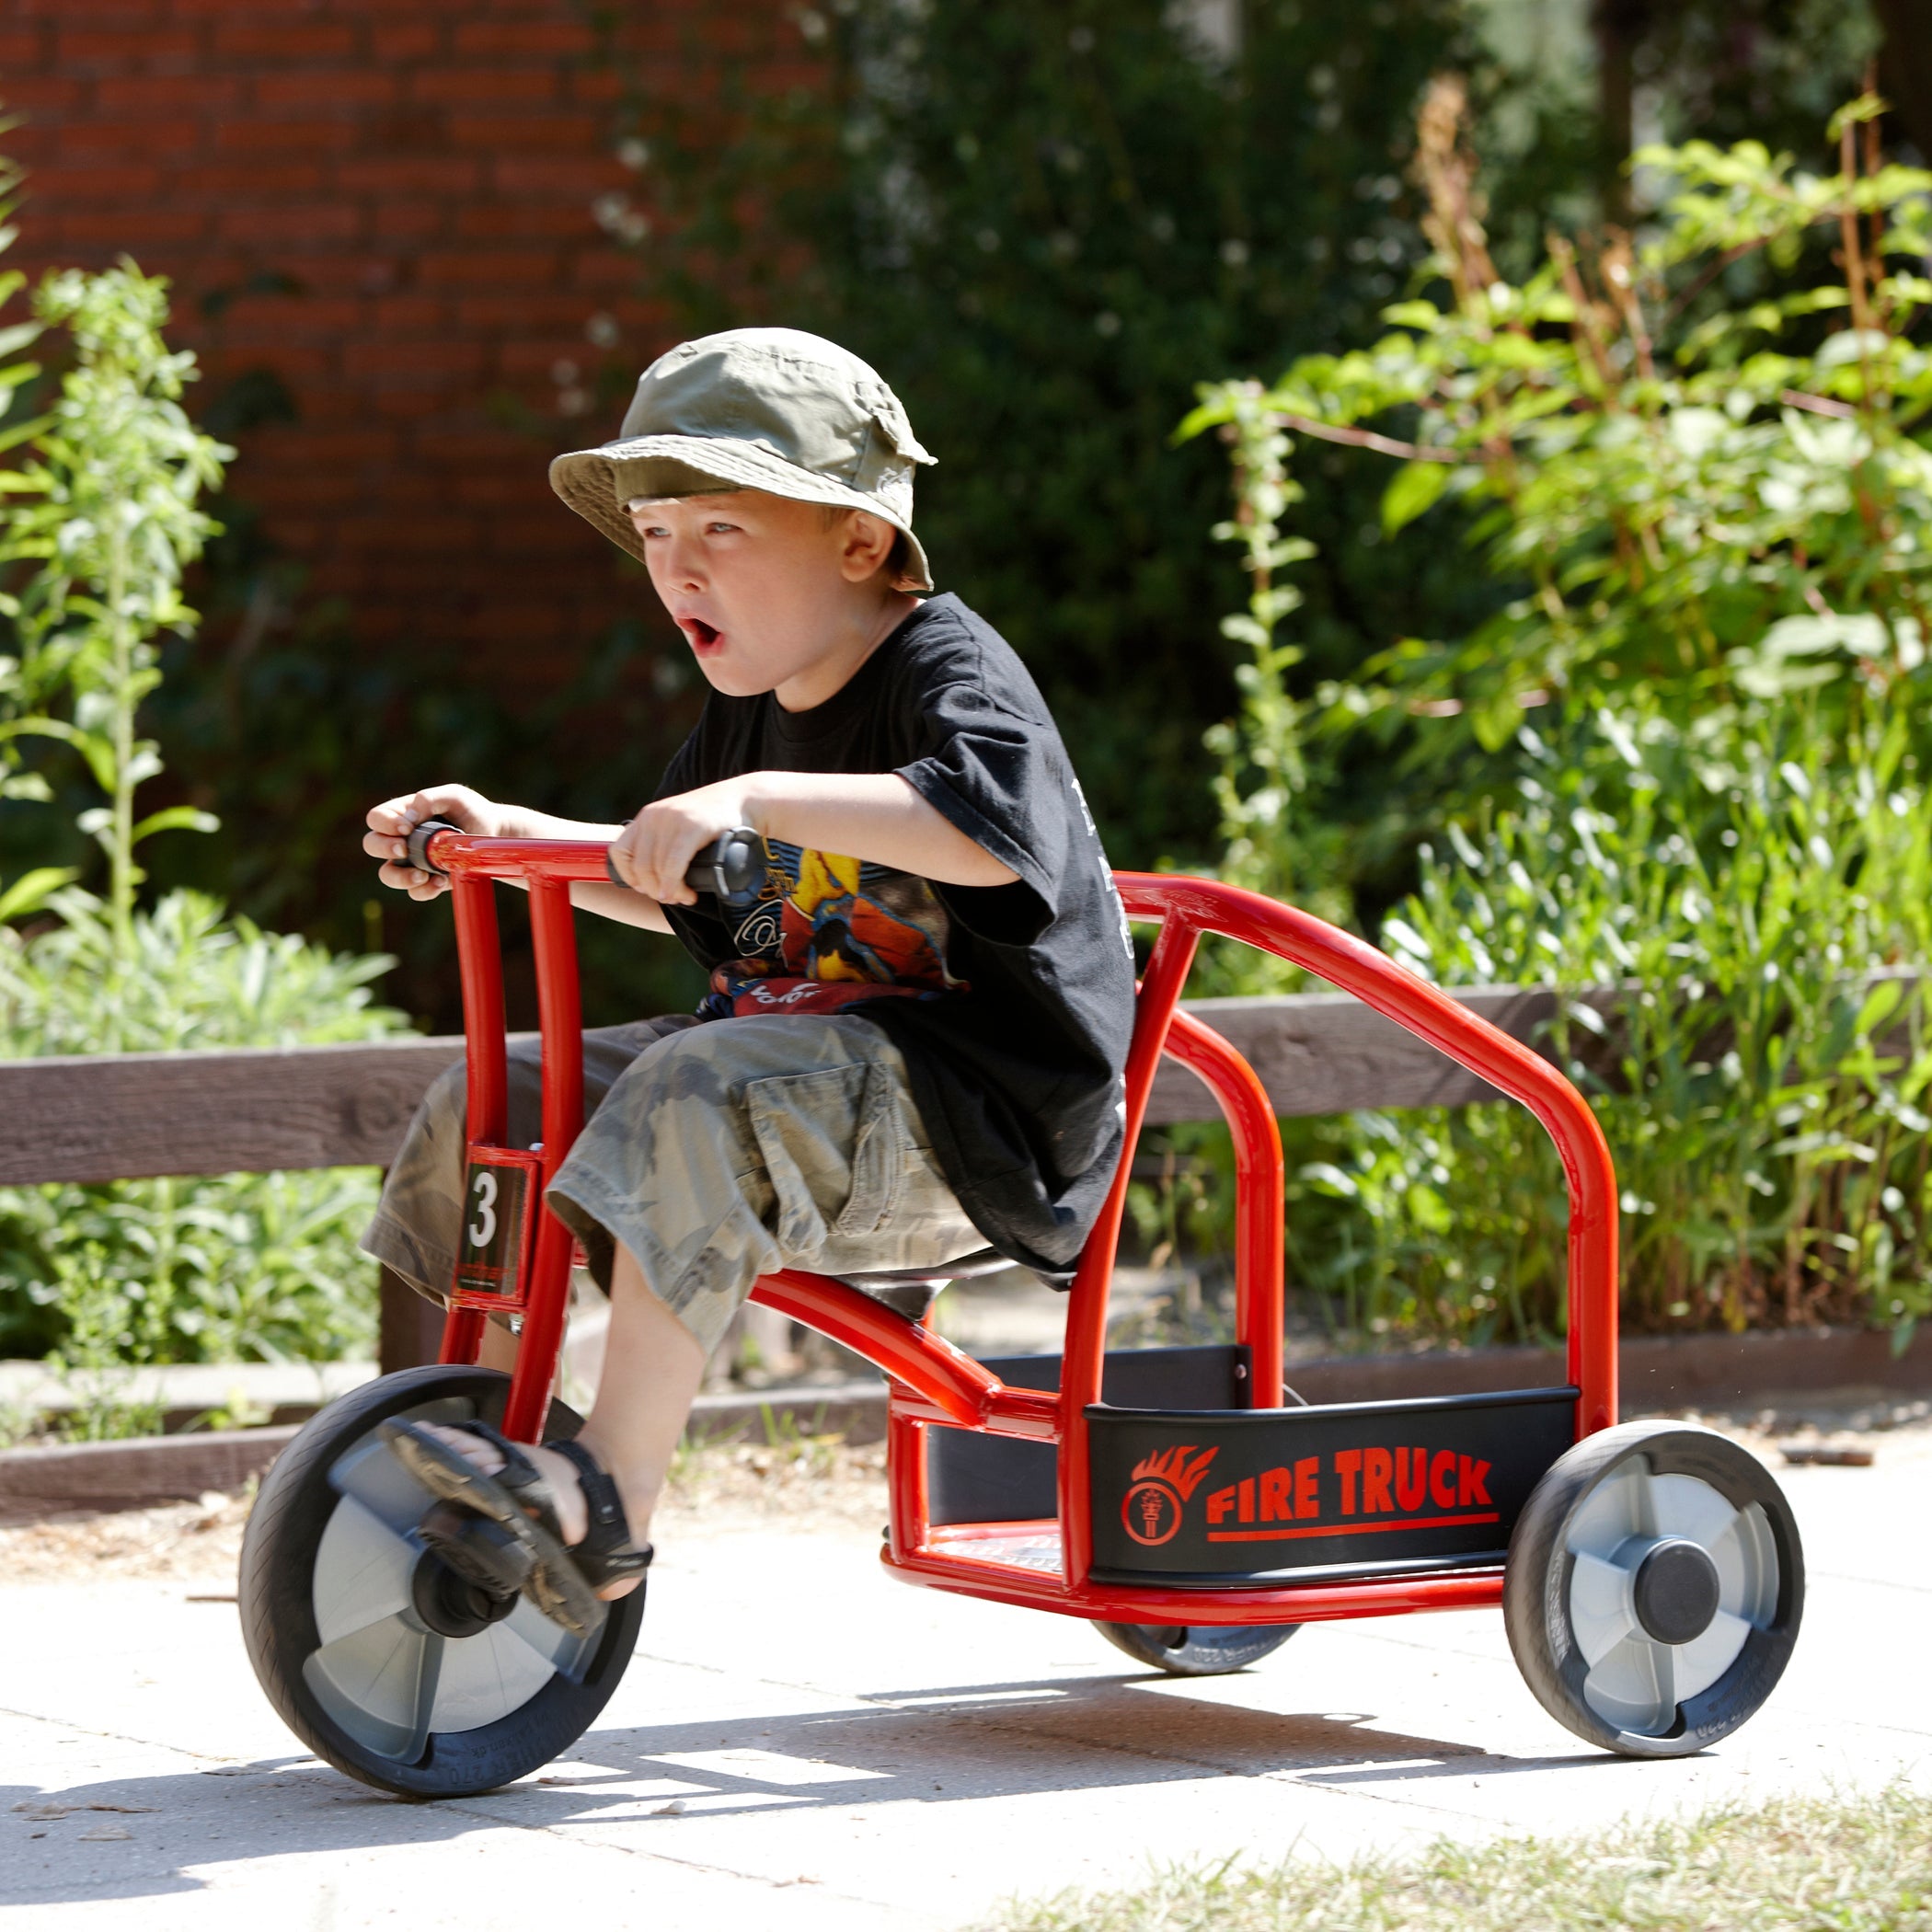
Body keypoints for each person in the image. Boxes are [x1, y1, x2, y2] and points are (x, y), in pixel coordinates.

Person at [361, 327, 1135, 1627]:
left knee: (693, 1086)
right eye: (656, 533)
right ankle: (485, 1428)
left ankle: (604, 1503)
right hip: (795, 1086)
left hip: (971, 1125)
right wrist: (511, 832)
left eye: (720, 528)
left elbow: (989, 838)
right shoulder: (752, 711)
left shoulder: (950, 673)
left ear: (861, 542)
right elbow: (671, 873)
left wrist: (755, 799)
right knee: (498, 1097)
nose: (676, 567)